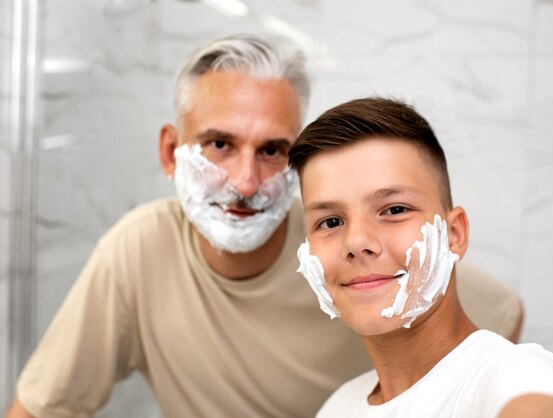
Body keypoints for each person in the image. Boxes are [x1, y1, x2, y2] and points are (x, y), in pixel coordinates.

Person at [7, 35, 523, 418]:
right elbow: (39, 409)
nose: (246, 182)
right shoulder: (137, 250)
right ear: (171, 152)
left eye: (273, 151)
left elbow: (499, 326)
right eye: (219, 145)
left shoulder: (338, 246)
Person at [288, 97, 553, 418]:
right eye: (330, 221)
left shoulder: (512, 374)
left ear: (455, 235)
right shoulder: (338, 407)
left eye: (394, 210)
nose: (357, 241)